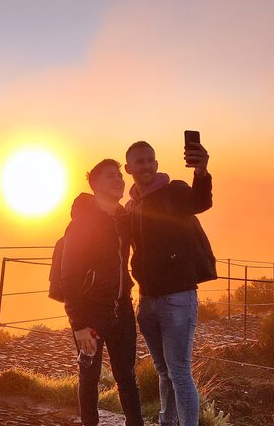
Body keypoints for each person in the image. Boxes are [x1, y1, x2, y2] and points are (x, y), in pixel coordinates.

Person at [124, 140, 212, 426]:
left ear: (157, 164)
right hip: (147, 299)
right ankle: (166, 422)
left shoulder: (173, 191)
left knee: (180, 372)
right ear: (129, 169)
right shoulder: (131, 205)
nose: (146, 165)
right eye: (140, 161)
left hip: (177, 297)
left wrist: (201, 171)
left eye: (150, 160)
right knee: (164, 372)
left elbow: (200, 201)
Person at [60, 159, 144, 426]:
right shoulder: (82, 222)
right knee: (89, 377)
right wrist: (79, 324)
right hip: (91, 314)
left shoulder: (123, 219)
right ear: (95, 185)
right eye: (110, 176)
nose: (119, 179)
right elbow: (69, 276)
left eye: (120, 175)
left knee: (127, 376)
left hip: (123, 309)